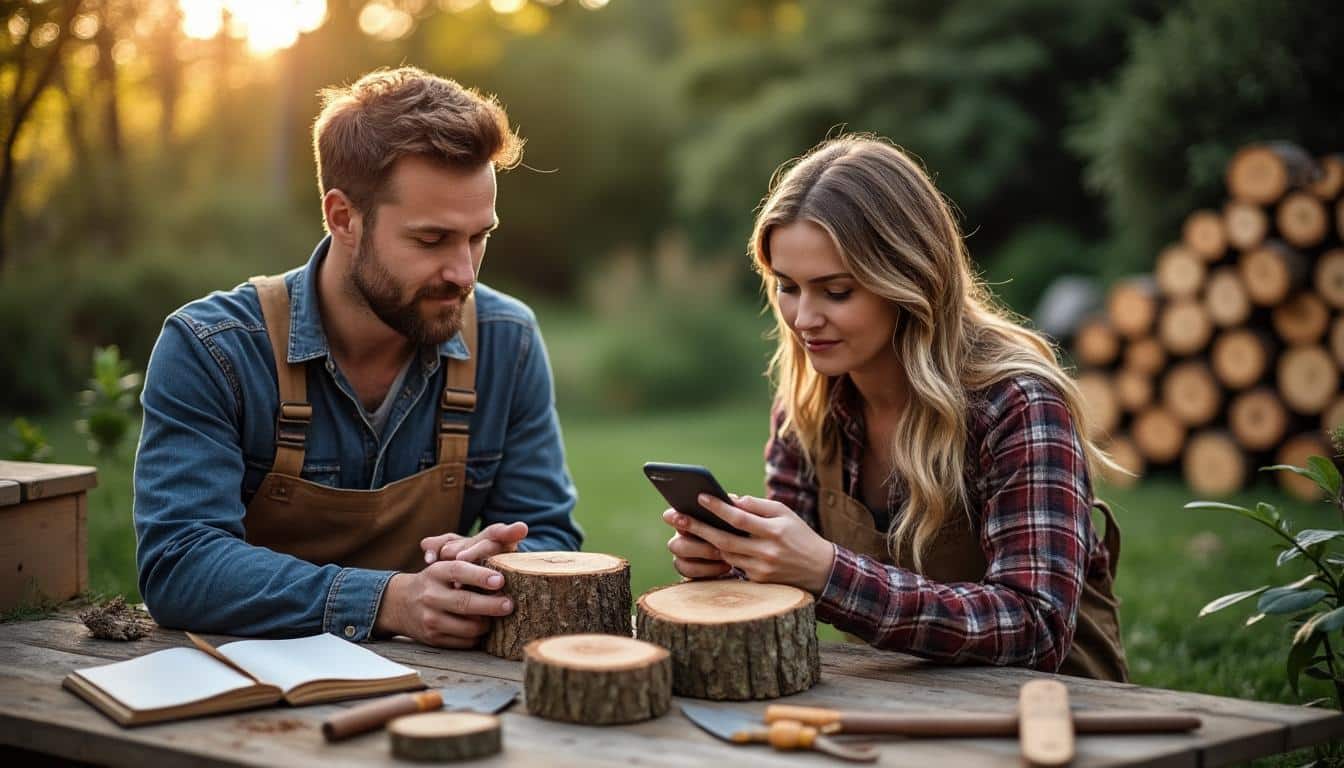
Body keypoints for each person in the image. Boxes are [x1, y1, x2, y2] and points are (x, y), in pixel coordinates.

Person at [134, 67, 582, 649]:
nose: (464, 273)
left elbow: (549, 534)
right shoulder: (212, 348)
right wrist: (390, 600)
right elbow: (179, 564)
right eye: (431, 240)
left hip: (440, 685)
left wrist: (493, 564)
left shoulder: (506, 340)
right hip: (242, 680)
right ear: (343, 217)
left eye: (479, 237)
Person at [662, 135, 1127, 680]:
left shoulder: (1017, 405)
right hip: (903, 700)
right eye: (788, 286)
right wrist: (740, 564)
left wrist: (829, 573)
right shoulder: (806, 409)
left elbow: (1036, 627)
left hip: (1055, 709)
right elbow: (795, 587)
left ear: (909, 279)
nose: (804, 318)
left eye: (836, 292)